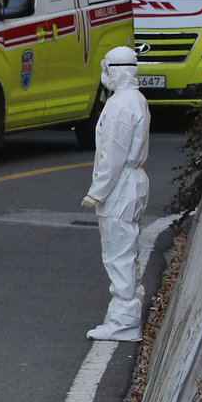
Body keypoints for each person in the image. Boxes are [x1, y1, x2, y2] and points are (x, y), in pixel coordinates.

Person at [83, 46, 151, 342]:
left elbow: (113, 155)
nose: (104, 75)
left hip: (121, 187)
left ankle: (125, 321)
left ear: (118, 70)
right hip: (133, 182)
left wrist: (96, 192)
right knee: (126, 249)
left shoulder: (119, 105)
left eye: (107, 69)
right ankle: (125, 313)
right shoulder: (136, 100)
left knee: (117, 252)